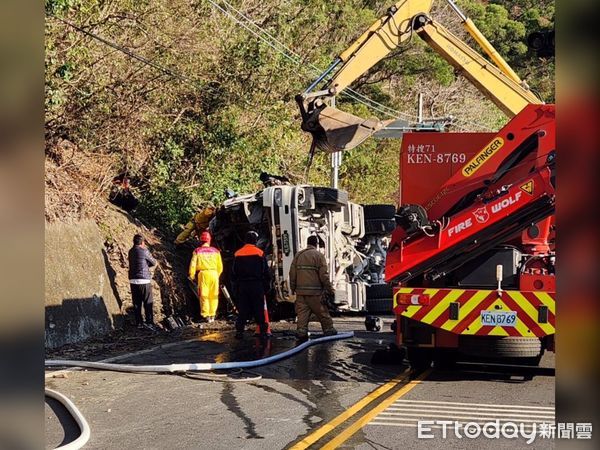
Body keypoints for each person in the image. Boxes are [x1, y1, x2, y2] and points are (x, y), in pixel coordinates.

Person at [289, 235, 338, 342]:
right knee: (322, 312)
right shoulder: (319, 256)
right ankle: (329, 330)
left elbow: (292, 273)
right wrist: (330, 289)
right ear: (316, 244)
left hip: (301, 292)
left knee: (302, 314)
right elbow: (324, 275)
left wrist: (293, 288)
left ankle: (301, 332)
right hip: (315, 292)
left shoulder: (298, 255)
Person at [231, 231, 271, 339]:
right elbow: (265, 272)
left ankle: (239, 331)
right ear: (255, 241)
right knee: (259, 308)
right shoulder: (260, 253)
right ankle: (262, 331)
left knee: (243, 308)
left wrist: (235, 287)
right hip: (256, 284)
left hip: (243, 285)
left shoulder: (237, 253)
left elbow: (234, 273)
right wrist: (266, 286)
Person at [188, 231, 223, 322]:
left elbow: (193, 265)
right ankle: (212, 314)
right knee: (214, 295)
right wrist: (217, 275)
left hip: (203, 274)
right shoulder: (216, 251)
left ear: (201, 241)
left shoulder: (197, 251)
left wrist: (192, 276)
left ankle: (206, 314)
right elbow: (220, 267)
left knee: (204, 295)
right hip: (214, 274)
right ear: (209, 240)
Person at [128, 234, 157, 330]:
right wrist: (146, 264)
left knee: (136, 303)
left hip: (133, 280)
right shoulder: (144, 251)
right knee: (148, 302)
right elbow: (153, 262)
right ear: (142, 242)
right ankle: (149, 322)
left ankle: (139, 323)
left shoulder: (130, 251)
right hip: (144, 280)